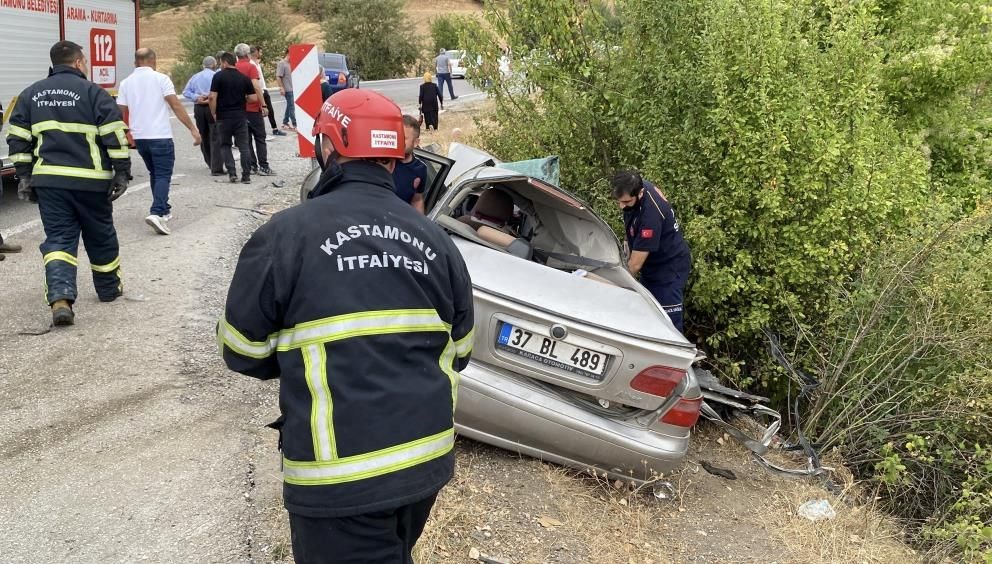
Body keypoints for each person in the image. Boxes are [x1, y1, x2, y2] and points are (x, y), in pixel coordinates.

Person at [218, 88, 474, 564]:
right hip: (424, 461)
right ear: (394, 159)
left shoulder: (284, 235)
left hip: (340, 477)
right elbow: (460, 350)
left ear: (328, 147)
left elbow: (241, 349)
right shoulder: (437, 240)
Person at [5, 40, 131, 325]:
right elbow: (114, 135)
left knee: (59, 239)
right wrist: (122, 172)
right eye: (84, 61)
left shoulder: (31, 94)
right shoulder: (94, 93)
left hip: (50, 183)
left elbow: (18, 139)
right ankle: (109, 290)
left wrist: (25, 176)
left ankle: (60, 299)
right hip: (91, 182)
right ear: (77, 62)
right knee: (100, 235)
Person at [117, 48, 201, 236]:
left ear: (136, 62)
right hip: (160, 135)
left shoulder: (125, 83)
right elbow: (175, 105)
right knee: (163, 174)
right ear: (153, 61)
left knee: (155, 173)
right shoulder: (161, 79)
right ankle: (156, 213)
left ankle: (164, 208)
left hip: (140, 138)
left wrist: (124, 135)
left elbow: (119, 112)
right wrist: (193, 129)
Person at [611, 170, 691, 333]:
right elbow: (632, 222)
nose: (621, 206)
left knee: (668, 323)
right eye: (619, 201)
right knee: (647, 314)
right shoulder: (637, 186)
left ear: (640, 193)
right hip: (651, 266)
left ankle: (672, 349)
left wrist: (614, 286)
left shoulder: (650, 218)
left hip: (669, 269)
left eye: (626, 201)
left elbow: (634, 266)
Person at [209, 52, 257, 184]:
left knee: (225, 145)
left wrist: (213, 113)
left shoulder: (218, 76)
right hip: (240, 116)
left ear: (224, 62)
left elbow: (212, 97)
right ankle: (246, 175)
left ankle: (232, 173)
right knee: (244, 147)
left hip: (223, 117)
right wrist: (242, 99)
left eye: (221, 62)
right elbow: (253, 98)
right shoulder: (244, 78)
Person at [235, 43, 275, 177]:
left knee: (246, 140)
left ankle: (252, 165)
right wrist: (263, 105)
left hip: (239, 110)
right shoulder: (251, 66)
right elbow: (257, 87)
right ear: (247, 54)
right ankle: (264, 166)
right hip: (253, 108)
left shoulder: (233, 67)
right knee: (260, 137)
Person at [183, 55, 224, 176]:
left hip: (199, 108)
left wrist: (197, 97)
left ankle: (209, 162)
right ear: (214, 65)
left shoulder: (195, 77)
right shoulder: (216, 76)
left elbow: (186, 92)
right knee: (216, 135)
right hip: (212, 107)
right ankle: (217, 166)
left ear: (203, 65)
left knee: (203, 134)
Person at [392, 115, 428, 213]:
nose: (398, 141)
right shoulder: (384, 161)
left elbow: (417, 200)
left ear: (416, 142)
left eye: (403, 138)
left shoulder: (420, 168)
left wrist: (419, 221)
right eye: (396, 136)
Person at [250, 45, 285, 137]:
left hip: (264, 89)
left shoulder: (257, 63)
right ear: (256, 52)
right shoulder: (251, 64)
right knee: (260, 111)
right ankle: (260, 131)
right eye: (260, 52)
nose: (261, 54)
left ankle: (274, 128)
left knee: (270, 110)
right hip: (259, 90)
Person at [276, 48, 297, 131]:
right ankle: (295, 125)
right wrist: (281, 88)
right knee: (292, 107)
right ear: (288, 53)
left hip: (293, 88)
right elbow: (278, 76)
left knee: (289, 105)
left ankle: (285, 123)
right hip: (287, 89)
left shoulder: (291, 63)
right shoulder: (282, 63)